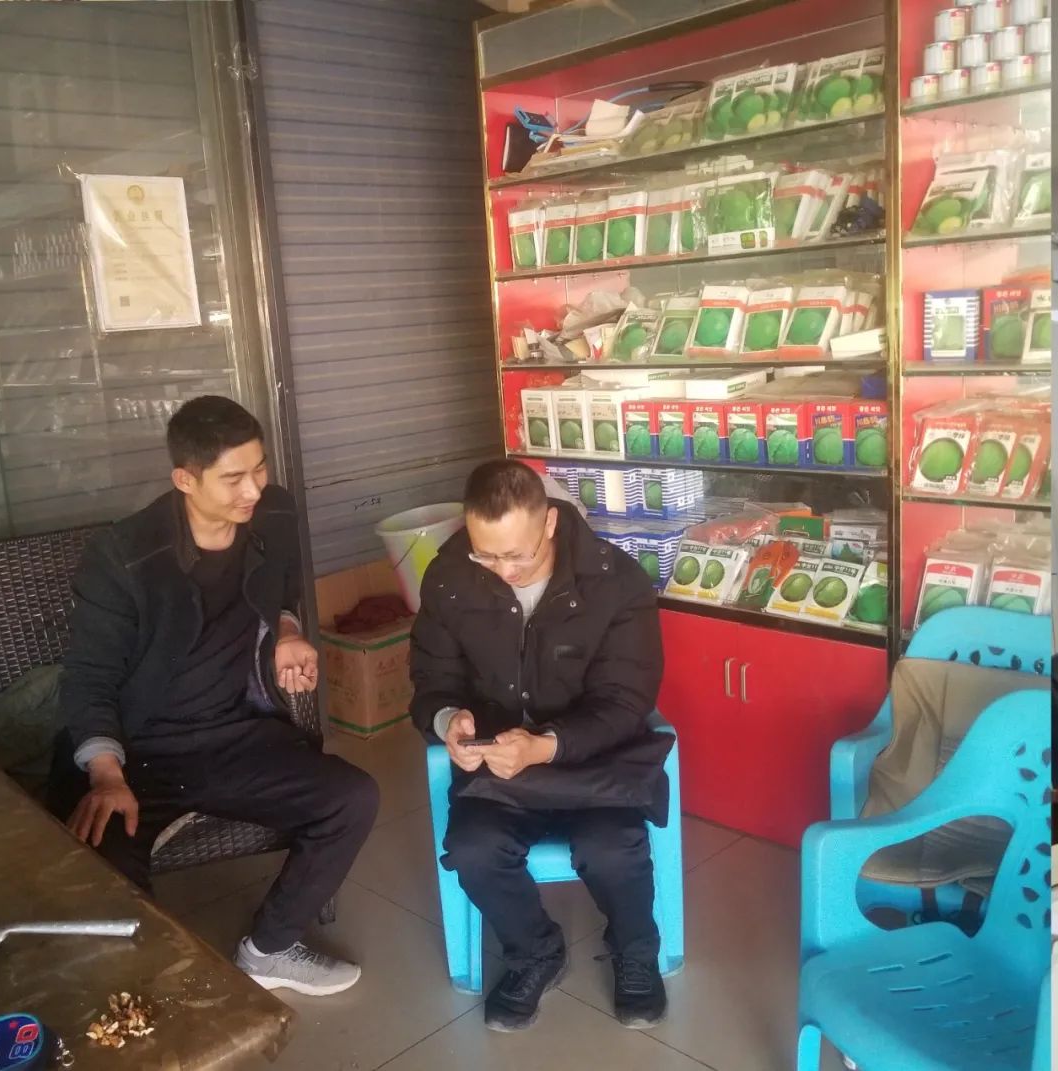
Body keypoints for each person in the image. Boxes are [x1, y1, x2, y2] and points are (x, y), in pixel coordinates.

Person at [46, 395, 379, 997]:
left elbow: (281, 588)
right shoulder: (126, 555)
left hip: (235, 734)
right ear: (185, 479)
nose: (252, 490)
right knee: (102, 866)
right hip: (138, 750)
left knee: (352, 797)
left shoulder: (273, 514)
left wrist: (286, 630)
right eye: (232, 478)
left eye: (260, 468)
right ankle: (142, 996)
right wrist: (105, 772)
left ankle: (269, 949)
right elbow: (89, 675)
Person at [410, 459, 666, 1032]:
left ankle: (636, 949)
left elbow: (625, 702)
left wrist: (546, 746)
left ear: (549, 522)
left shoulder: (616, 581)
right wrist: (449, 720)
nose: (503, 571)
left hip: (592, 765)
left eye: (517, 555)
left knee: (612, 849)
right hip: (500, 768)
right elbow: (431, 681)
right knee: (473, 850)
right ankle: (534, 952)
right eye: (486, 555)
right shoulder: (450, 577)